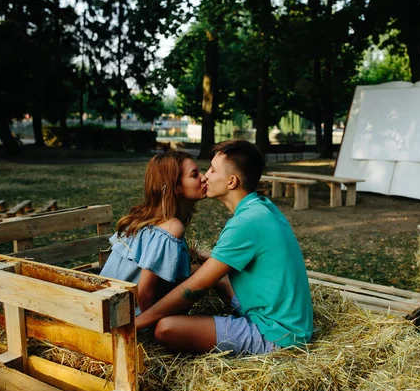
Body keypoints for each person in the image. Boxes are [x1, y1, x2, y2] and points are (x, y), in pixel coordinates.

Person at [135, 139, 314, 356]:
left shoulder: (245, 223)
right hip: (287, 321)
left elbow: (193, 289)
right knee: (209, 273)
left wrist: (138, 322)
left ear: (231, 182)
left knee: (166, 329)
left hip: (278, 336)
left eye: (212, 170)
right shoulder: (261, 208)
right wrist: (203, 256)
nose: (205, 176)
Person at [100, 150, 208, 315]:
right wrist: (151, 326)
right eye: (194, 175)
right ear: (176, 187)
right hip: (122, 315)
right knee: (215, 275)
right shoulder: (172, 227)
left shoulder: (153, 219)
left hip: (102, 305)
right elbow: (145, 293)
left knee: (211, 270)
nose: (204, 177)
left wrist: (202, 255)